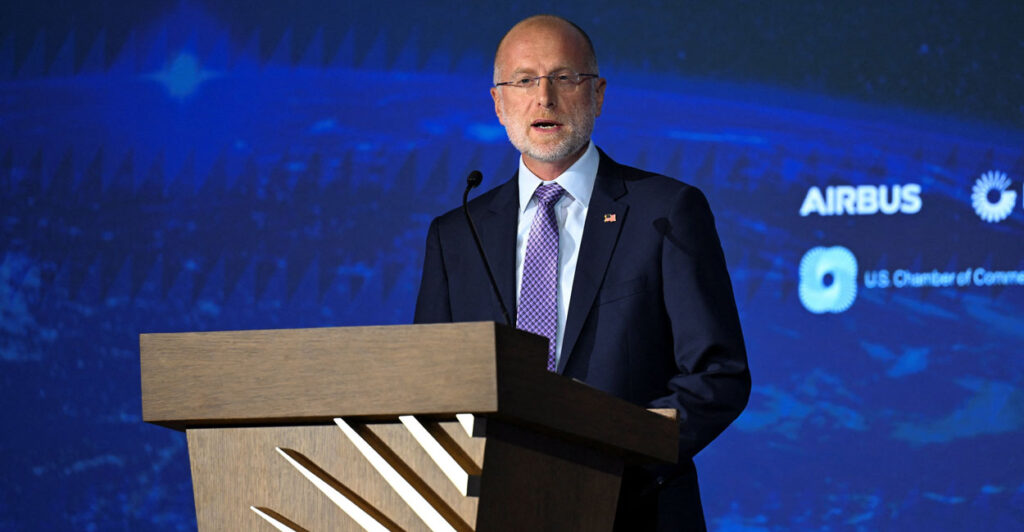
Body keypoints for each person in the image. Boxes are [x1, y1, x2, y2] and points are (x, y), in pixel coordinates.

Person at [414, 14, 750, 531]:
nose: (543, 97)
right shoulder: (457, 235)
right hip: (494, 510)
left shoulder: (666, 211)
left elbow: (717, 374)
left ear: (597, 95)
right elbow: (431, 386)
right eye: (524, 80)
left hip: (636, 508)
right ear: (499, 103)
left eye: (564, 78)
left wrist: (616, 454)